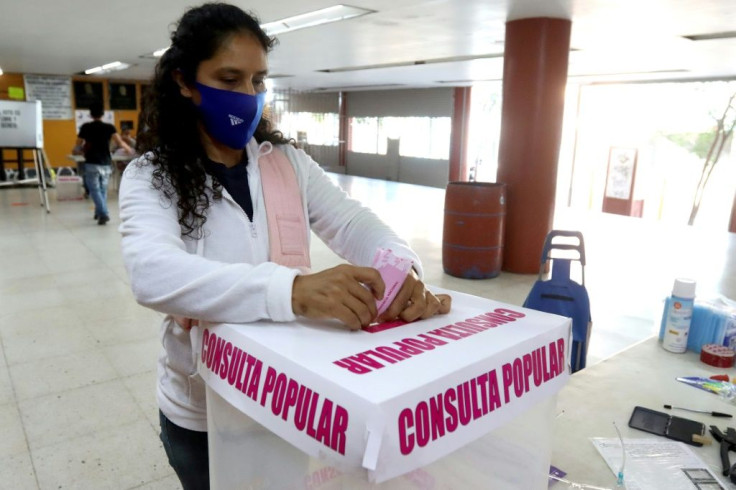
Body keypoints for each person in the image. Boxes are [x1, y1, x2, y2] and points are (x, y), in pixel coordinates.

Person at [118, 4, 452, 489]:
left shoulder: (287, 164)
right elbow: (152, 272)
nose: (247, 96)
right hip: (204, 411)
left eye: (258, 81)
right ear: (185, 83)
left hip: (286, 397)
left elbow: (355, 222)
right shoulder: (152, 176)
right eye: (229, 79)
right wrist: (292, 290)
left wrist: (402, 269)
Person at [74, 102, 133, 224]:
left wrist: (76, 150)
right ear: (103, 114)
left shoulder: (85, 127)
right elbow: (120, 142)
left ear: (90, 115)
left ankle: (103, 213)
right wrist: (129, 150)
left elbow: (77, 145)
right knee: (102, 190)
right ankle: (99, 213)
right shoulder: (109, 127)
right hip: (106, 162)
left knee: (94, 190)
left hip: (91, 162)